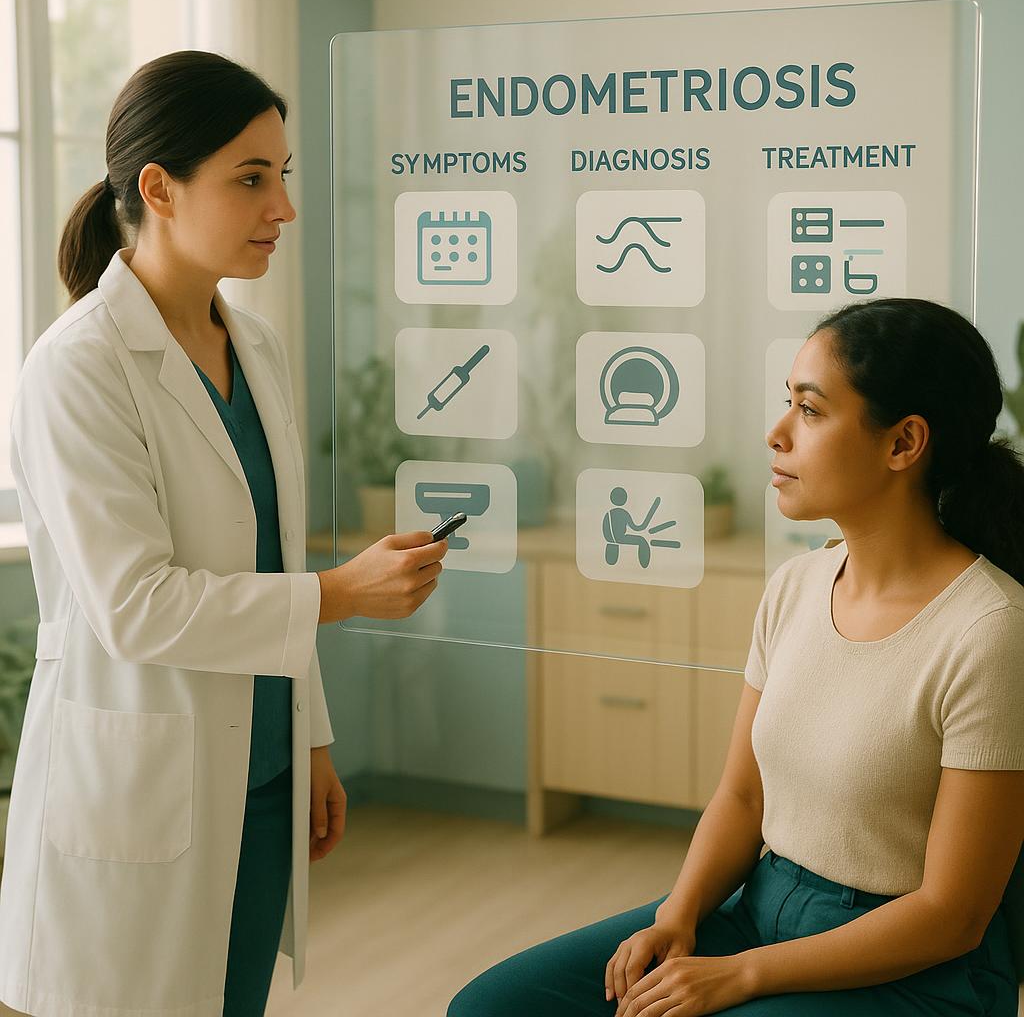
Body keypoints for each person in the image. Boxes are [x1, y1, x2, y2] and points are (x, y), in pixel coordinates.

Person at [0, 50, 447, 1017]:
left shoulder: (260, 347)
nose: (281, 207)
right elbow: (136, 607)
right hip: (141, 793)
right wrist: (342, 594)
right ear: (158, 187)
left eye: (282, 175)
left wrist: (314, 741)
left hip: (265, 782)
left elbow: (270, 562)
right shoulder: (77, 370)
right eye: (251, 178)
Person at [449, 298, 1024, 1017]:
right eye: (787, 404)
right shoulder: (796, 586)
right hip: (759, 907)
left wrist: (744, 975)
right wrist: (679, 914)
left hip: (914, 968)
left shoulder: (990, 630)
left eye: (811, 412)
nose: (776, 433)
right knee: (493, 1007)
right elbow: (742, 797)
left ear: (904, 442)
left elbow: (952, 914)